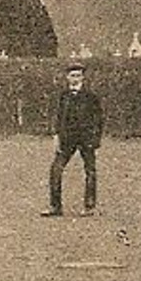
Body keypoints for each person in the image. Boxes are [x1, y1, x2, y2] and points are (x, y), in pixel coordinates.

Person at [43, 62, 103, 217]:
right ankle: (55, 206)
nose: (74, 78)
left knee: (90, 171)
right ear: (67, 77)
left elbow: (99, 119)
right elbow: (59, 117)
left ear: (82, 77)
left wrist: (95, 139)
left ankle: (89, 206)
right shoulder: (63, 96)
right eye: (72, 75)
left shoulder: (91, 96)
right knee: (55, 170)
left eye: (78, 75)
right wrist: (56, 136)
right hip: (67, 139)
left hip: (86, 138)